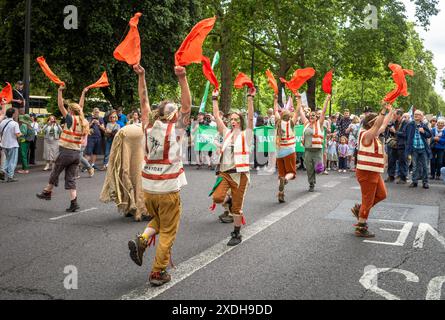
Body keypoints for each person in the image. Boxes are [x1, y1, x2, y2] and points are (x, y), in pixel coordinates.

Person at [127, 64, 191, 287]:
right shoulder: (176, 129)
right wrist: (182, 77)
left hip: (148, 188)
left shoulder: (147, 125)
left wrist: (142, 75)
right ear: (173, 115)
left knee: (160, 220)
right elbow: (187, 106)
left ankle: (143, 239)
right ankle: (158, 272)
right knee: (168, 231)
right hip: (167, 188)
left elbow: (143, 100)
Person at [211, 85, 255, 246]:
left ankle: (236, 233)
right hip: (225, 173)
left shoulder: (246, 134)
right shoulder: (226, 133)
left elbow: (250, 118)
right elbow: (216, 117)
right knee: (217, 197)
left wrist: (250, 98)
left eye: (237, 119)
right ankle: (227, 201)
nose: (233, 121)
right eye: (232, 119)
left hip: (240, 175)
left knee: (237, 209)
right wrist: (215, 98)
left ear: (241, 122)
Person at [36, 85, 90, 212]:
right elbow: (81, 107)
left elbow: (60, 106)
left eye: (69, 109)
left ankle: (47, 192)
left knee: (55, 172)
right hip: (77, 153)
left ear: (70, 111)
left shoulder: (70, 119)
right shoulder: (84, 122)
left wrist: (59, 91)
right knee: (70, 178)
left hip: (66, 151)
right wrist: (83, 93)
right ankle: (73, 202)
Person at [352, 103, 392, 238]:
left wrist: (390, 111)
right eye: (376, 122)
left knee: (382, 194)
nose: (378, 124)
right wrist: (383, 111)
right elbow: (377, 125)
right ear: (371, 123)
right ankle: (361, 227)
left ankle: (361, 209)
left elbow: (383, 125)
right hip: (367, 172)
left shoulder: (372, 133)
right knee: (368, 200)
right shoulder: (367, 135)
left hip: (373, 171)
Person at [299, 94, 331, 192]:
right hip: (308, 150)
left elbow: (324, 112)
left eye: (314, 115)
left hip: (317, 151)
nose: (312, 116)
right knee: (309, 169)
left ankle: (319, 170)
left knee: (318, 169)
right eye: (310, 115)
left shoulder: (319, 124)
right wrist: (298, 101)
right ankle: (311, 184)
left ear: (316, 117)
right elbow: (301, 113)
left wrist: (326, 100)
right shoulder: (306, 124)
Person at [274, 94, 299, 203]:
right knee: (291, 173)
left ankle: (281, 193)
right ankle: (285, 180)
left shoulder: (278, 122)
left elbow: (275, 110)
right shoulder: (291, 123)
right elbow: (297, 111)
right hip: (289, 150)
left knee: (281, 173)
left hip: (279, 151)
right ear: (290, 116)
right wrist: (299, 100)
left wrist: (275, 100)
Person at [406, 110, 432, 189]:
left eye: (418, 114)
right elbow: (405, 134)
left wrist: (424, 132)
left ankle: (425, 182)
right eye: (415, 114)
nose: (416, 116)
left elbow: (429, 135)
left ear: (421, 116)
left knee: (425, 166)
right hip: (414, 149)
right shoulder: (410, 124)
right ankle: (414, 182)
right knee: (414, 166)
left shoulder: (424, 125)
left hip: (423, 149)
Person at [386, 109, 408, 184]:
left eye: (394, 115)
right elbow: (389, 131)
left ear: (399, 115)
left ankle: (403, 178)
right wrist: (391, 128)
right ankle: (391, 176)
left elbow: (405, 134)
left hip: (402, 144)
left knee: (402, 161)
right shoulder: (394, 122)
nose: (393, 116)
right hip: (394, 144)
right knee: (391, 160)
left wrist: (395, 131)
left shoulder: (406, 122)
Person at [0, 108, 21, 182]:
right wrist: (21, 134)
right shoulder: (15, 123)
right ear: (13, 114)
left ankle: (2, 170)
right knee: (12, 161)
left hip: (4, 144)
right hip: (13, 144)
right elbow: (17, 134)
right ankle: (10, 176)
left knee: (7, 159)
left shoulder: (2, 122)